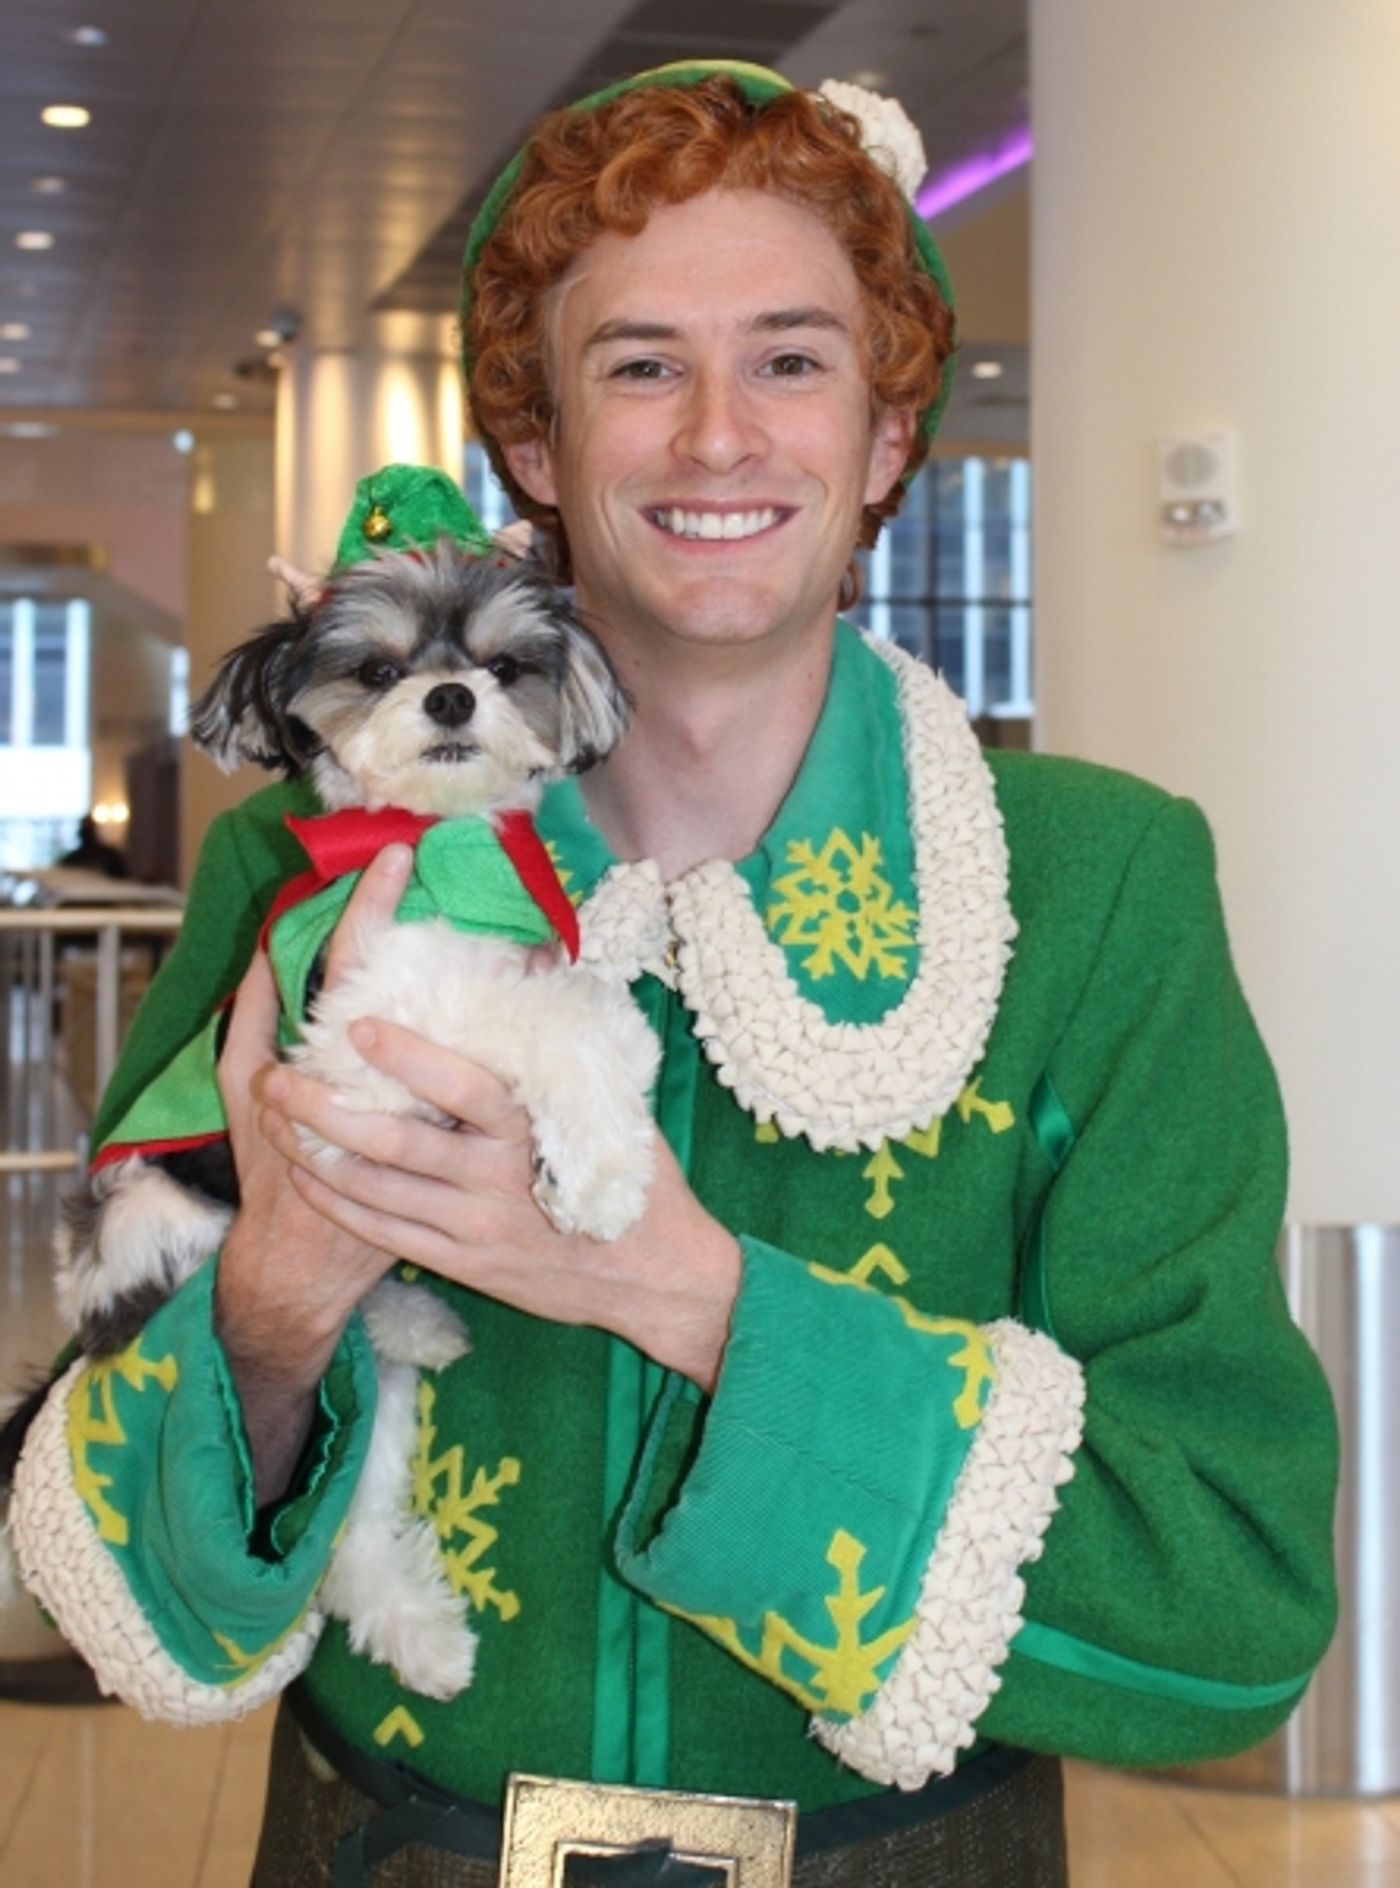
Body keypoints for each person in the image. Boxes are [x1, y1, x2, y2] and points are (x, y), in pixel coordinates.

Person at [6, 61, 1337, 1888]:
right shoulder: (285, 878)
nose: (719, 435)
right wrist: (281, 1293)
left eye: (791, 358)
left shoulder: (1098, 889)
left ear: (884, 435)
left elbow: (1231, 1609)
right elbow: (103, 1589)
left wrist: (691, 1295)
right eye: (640, 364)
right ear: (540, 448)